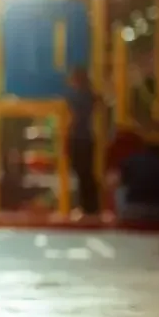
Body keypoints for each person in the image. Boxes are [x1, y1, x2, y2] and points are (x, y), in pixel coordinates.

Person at [65, 67, 100, 215]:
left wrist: (67, 134)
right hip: (88, 137)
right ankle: (90, 206)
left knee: (81, 173)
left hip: (78, 138)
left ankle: (87, 206)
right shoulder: (90, 96)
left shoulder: (75, 97)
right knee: (86, 173)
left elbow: (73, 118)